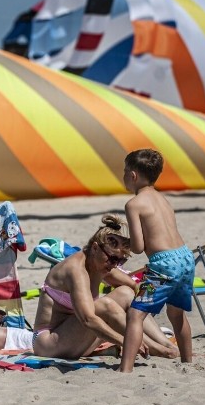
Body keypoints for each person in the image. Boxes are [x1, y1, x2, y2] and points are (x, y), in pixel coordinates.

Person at [31, 214, 178, 360]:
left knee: (126, 293)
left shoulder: (99, 264)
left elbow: (132, 285)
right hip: (48, 343)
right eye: (113, 258)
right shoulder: (76, 271)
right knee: (104, 305)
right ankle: (154, 348)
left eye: (121, 261)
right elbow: (88, 319)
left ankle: (165, 344)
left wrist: (138, 287)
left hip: (77, 339)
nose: (114, 265)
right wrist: (125, 341)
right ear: (95, 248)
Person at [119, 148, 195, 373]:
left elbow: (139, 247)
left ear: (133, 175)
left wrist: (126, 240)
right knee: (176, 314)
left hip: (164, 264)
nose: (123, 175)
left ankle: (125, 369)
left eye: (124, 171)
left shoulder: (134, 204)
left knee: (135, 314)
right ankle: (188, 363)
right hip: (185, 257)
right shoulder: (162, 199)